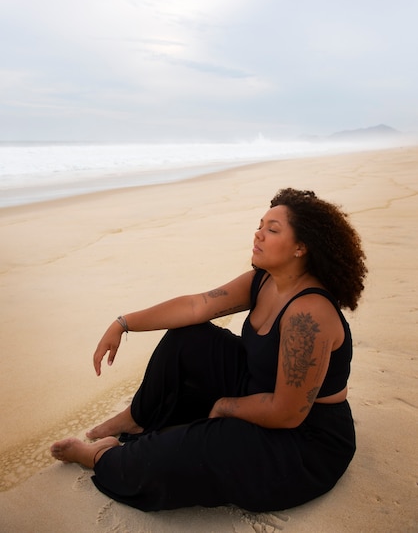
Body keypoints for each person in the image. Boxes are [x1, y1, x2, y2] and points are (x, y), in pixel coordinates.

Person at [51, 187, 367, 513]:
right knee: (188, 339)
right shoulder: (263, 280)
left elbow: (287, 414)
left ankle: (100, 455)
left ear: (301, 247)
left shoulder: (308, 315)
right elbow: (194, 306)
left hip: (305, 440)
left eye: (272, 230)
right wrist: (123, 323)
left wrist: (226, 406)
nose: (258, 233)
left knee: (193, 450)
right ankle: (137, 418)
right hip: (262, 389)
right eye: (260, 224)